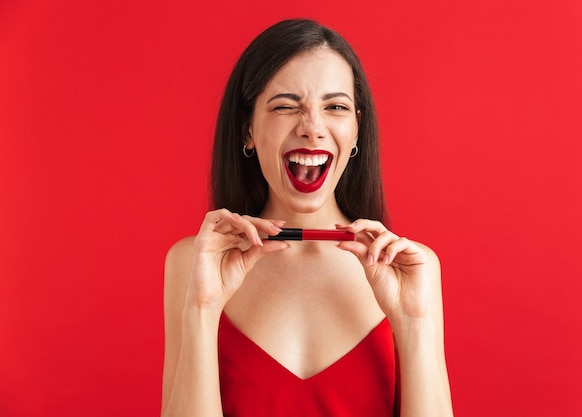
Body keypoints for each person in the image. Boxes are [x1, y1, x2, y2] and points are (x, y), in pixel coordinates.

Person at [161, 18, 453, 417]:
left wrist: (414, 322)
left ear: (356, 130)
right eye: (285, 106)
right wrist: (201, 309)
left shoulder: (412, 269)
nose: (313, 127)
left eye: (335, 107)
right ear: (247, 128)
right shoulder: (193, 263)